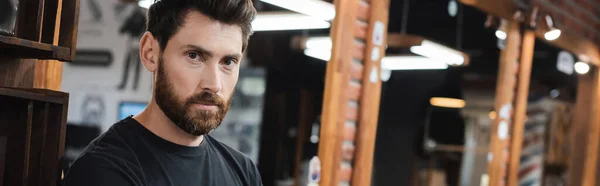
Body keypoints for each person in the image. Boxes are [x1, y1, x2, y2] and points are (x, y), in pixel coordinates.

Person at [63, 0, 261, 185]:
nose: (214, 84)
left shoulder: (243, 172)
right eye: (194, 56)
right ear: (150, 53)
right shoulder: (103, 171)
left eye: (228, 62)